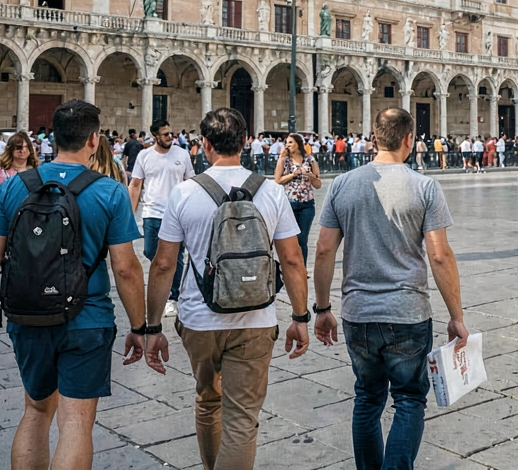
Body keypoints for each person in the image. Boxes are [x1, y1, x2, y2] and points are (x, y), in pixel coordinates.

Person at [0, 100, 147, 470]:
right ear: (94, 140)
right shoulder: (110, 191)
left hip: (28, 316)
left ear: (53, 138)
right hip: (87, 318)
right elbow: (126, 269)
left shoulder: (15, 187)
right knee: (75, 422)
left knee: (35, 410)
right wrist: (141, 327)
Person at [143, 107, 310, 470]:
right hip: (256, 319)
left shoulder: (184, 193)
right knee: (242, 419)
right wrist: (301, 317)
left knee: (207, 403)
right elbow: (293, 260)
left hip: (199, 319)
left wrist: (152, 327)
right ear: (246, 142)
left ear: (205, 144)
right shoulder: (270, 192)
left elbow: (163, 264)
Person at [313, 108, 467, 470]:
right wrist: (456, 317)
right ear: (409, 140)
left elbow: (323, 250)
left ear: (374, 138)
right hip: (407, 313)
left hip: (358, 314)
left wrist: (322, 309)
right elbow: (439, 256)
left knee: (367, 399)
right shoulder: (424, 186)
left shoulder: (342, 184)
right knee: (409, 400)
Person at [130, 119, 195, 318]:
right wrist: (129, 215)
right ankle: (163, 281)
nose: (170, 137)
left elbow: (190, 182)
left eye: (171, 134)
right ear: (155, 136)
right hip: (152, 212)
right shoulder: (144, 156)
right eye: (166, 134)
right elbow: (135, 185)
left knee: (177, 256)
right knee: (150, 251)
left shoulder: (182, 154)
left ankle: (173, 296)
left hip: (176, 213)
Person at [273, 132, 321, 269]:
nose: (287, 145)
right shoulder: (284, 160)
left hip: (307, 204)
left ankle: (302, 269)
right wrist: (292, 175)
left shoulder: (310, 160)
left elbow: (318, 184)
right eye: (286, 143)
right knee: (291, 238)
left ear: (298, 144)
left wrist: (310, 175)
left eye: (290, 142)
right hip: (290, 203)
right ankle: (290, 267)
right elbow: (277, 180)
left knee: (302, 238)